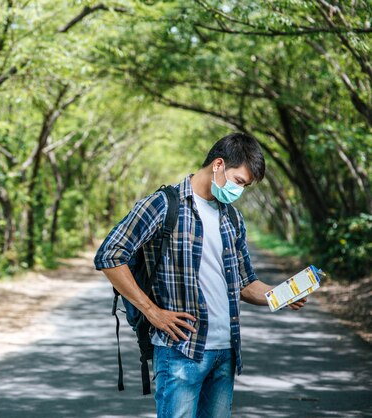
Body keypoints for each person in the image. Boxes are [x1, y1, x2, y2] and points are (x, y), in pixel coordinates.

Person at [94, 132, 307, 418]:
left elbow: (245, 283)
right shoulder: (163, 205)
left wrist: (280, 295)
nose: (239, 191)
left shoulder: (232, 217)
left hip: (226, 352)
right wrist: (152, 312)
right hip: (180, 351)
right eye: (239, 181)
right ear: (218, 164)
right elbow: (109, 254)